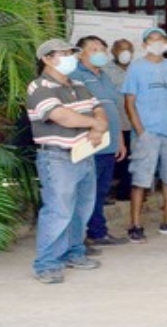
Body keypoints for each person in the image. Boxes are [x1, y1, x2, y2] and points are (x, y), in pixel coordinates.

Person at [27, 39, 108, 284]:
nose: (70, 58)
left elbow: (99, 109)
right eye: (64, 54)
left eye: (71, 53)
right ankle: (47, 263)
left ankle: (74, 252)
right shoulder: (39, 87)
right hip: (57, 157)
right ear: (47, 59)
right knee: (58, 211)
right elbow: (61, 116)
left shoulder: (79, 84)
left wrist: (97, 126)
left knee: (81, 209)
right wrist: (94, 124)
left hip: (84, 154)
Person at [122, 27, 167, 242]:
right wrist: (141, 130)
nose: (156, 42)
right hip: (148, 131)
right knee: (142, 178)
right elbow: (129, 102)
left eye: (160, 39)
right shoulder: (136, 68)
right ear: (144, 45)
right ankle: (135, 224)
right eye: (151, 40)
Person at [69, 36, 129, 247]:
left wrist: (120, 140)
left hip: (109, 143)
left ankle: (97, 232)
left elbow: (114, 109)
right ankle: (78, 238)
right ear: (81, 53)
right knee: (86, 192)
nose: (99, 52)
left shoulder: (104, 76)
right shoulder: (75, 75)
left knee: (101, 191)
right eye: (93, 49)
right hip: (89, 143)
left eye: (102, 49)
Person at [105, 38, 135, 201]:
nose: (125, 53)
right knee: (113, 158)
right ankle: (107, 191)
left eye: (129, 49)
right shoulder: (105, 70)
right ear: (113, 51)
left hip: (132, 122)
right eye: (121, 49)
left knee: (130, 158)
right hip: (113, 122)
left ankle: (125, 191)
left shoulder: (137, 69)